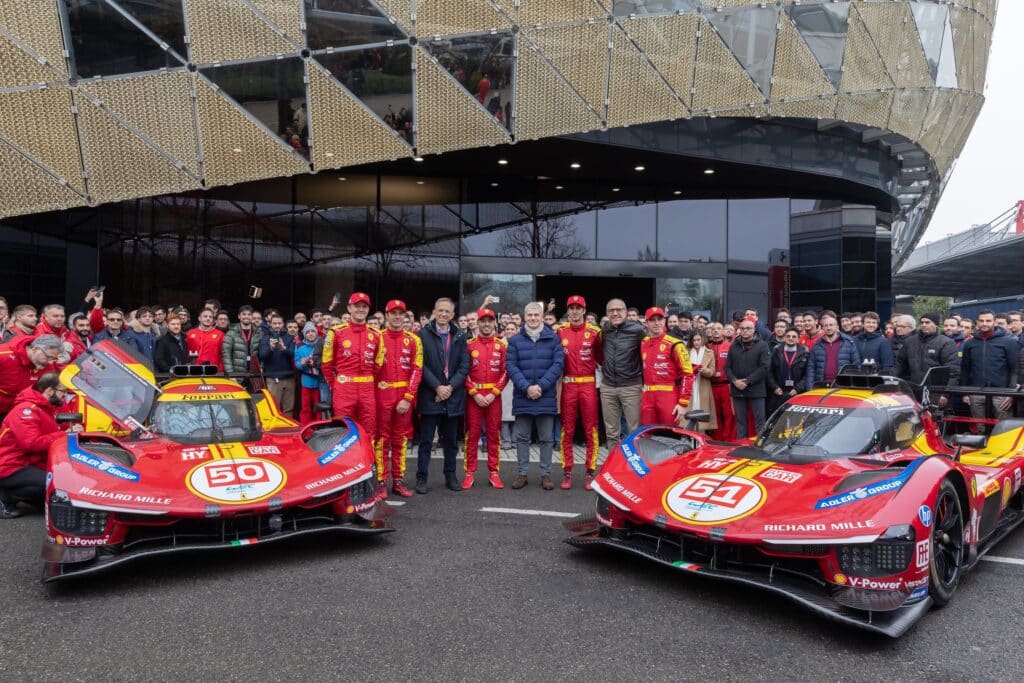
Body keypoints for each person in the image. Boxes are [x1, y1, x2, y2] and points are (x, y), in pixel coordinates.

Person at [506, 302, 564, 490]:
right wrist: (526, 387)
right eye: (529, 315)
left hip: (545, 395)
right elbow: (511, 366)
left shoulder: (554, 339)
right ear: (524, 317)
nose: (532, 318)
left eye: (536, 315)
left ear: (541, 317)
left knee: (546, 438)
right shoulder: (515, 340)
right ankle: (522, 473)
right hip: (523, 396)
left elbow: (557, 365)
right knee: (522, 438)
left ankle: (545, 474)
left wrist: (540, 386)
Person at [415, 297, 469, 494]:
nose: (444, 314)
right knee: (426, 441)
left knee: (451, 442)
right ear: (435, 312)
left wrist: (449, 388)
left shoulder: (460, 336)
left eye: (448, 311)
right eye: (441, 311)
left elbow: (464, 366)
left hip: (452, 397)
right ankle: (421, 478)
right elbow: (421, 365)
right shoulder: (422, 334)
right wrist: (438, 387)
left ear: (453, 315)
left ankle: (451, 476)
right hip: (431, 395)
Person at [0, 373, 67, 517]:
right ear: (49, 390)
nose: (65, 396)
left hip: (27, 463)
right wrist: (65, 435)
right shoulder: (26, 410)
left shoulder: (43, 409)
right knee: (56, 483)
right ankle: (4, 497)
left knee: (56, 493)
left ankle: (21, 494)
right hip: (10, 466)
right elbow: (31, 444)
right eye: (63, 391)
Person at [376, 300, 422, 498]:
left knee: (400, 440)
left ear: (405, 316)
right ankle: (380, 482)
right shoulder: (376, 337)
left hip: (404, 399)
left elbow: (417, 370)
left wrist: (408, 397)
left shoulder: (413, 340)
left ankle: (398, 480)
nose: (396, 317)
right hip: (381, 398)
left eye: (400, 313)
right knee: (381, 440)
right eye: (392, 313)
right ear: (386, 315)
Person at [555, 295, 603, 490]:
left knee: (591, 429)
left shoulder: (595, 332)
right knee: (567, 430)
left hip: (589, 384)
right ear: (568, 311)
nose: (574, 311)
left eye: (578, 308)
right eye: (571, 308)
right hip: (568, 385)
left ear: (584, 310)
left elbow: (603, 358)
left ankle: (590, 473)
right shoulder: (559, 331)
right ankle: (567, 473)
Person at [322, 293, 384, 436]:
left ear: (368, 310)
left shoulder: (376, 334)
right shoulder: (336, 332)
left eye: (364, 306)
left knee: (368, 431)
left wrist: (366, 380)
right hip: (344, 390)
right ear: (349, 308)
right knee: (343, 431)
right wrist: (336, 385)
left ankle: (367, 459)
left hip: (367, 390)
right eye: (357, 306)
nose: (361, 309)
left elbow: (378, 364)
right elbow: (326, 364)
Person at [463, 307, 508, 490]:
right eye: (483, 321)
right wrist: (474, 393)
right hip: (474, 398)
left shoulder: (502, 346)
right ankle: (469, 472)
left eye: (490, 321)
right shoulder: (469, 345)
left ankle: (494, 472)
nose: (487, 324)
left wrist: (493, 393)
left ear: (494, 323)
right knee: (471, 435)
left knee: (493, 435)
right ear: (478, 323)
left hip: (493, 397)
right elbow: (463, 372)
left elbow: (506, 372)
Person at [600, 298, 645, 454]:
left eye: (619, 310)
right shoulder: (605, 330)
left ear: (626, 312)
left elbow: (647, 355)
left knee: (635, 432)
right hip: (608, 387)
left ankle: (635, 469)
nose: (615, 313)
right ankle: (613, 467)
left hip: (631, 386)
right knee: (611, 433)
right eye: (611, 310)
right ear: (607, 314)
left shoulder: (638, 331)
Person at [960, 310, 1019, 424]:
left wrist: (1011, 394)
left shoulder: (1008, 342)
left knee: (1002, 429)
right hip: (976, 392)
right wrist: (965, 392)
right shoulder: (970, 343)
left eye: (988, 320)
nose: (984, 323)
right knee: (979, 428)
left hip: (1001, 393)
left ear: (995, 322)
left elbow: (1014, 369)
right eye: (981, 321)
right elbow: (965, 369)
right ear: (977, 323)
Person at [640, 307, 692, 425]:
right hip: (647, 397)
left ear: (664, 321)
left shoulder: (676, 344)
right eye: (652, 320)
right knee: (647, 436)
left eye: (660, 319)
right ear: (646, 323)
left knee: (669, 435)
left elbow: (688, 374)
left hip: (668, 396)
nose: (657, 323)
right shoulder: (643, 342)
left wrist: (683, 403)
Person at [725, 318, 770, 439]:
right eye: (742, 328)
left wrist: (747, 381)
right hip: (737, 389)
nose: (745, 331)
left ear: (754, 329)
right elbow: (727, 367)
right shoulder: (734, 346)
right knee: (740, 422)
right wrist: (734, 381)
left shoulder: (762, 345)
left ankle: (760, 447)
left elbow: (764, 367)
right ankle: (741, 446)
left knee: (760, 422)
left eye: (748, 328)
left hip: (756, 389)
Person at [894, 312, 961, 391]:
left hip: (936, 391)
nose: (924, 325)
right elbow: (899, 366)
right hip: (913, 389)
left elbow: (953, 371)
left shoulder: (946, 343)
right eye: (922, 322)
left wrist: (946, 393)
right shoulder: (910, 342)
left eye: (927, 322)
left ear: (936, 324)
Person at [0, 335, 60, 418]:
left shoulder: (47, 367)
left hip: (17, 411)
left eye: (54, 359)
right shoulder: (3, 355)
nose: (50, 362)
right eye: (48, 357)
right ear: (35, 349)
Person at [806, 312, 861, 386]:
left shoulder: (849, 343)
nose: (828, 328)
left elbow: (856, 366)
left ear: (837, 327)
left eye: (831, 325)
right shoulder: (817, 345)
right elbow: (811, 369)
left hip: (843, 386)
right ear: (823, 328)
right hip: (821, 386)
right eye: (826, 325)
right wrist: (810, 387)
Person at [259, 314, 296, 414]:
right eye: (274, 323)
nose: (277, 325)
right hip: (273, 378)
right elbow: (262, 356)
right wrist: (270, 348)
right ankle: (276, 429)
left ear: (283, 324)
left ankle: (288, 428)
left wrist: (284, 349)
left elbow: (293, 354)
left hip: (289, 377)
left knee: (289, 408)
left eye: (279, 323)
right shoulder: (265, 339)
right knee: (274, 408)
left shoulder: (289, 338)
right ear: (270, 324)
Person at [767, 328, 807, 416]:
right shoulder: (776, 351)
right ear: (785, 337)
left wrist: (798, 389)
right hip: (779, 392)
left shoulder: (804, 352)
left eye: (794, 336)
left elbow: (807, 374)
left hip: (796, 392)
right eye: (788, 336)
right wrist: (774, 387)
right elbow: (769, 372)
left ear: (798, 339)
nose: (791, 338)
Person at [706, 322, 735, 441]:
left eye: (719, 328)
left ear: (723, 331)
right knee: (715, 414)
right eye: (713, 329)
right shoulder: (707, 347)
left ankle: (727, 438)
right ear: (710, 332)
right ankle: (716, 439)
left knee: (728, 414)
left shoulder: (730, 346)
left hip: (726, 385)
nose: (716, 331)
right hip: (711, 385)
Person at [294, 322, 326, 426]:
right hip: (306, 381)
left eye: (313, 331)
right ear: (304, 334)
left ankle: (318, 428)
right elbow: (297, 364)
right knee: (305, 407)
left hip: (319, 381)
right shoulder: (299, 347)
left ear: (316, 333)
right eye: (308, 332)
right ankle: (305, 428)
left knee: (318, 407)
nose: (311, 334)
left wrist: (316, 364)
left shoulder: (322, 344)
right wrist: (302, 364)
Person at [686, 330, 717, 433]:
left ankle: (700, 438)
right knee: (689, 410)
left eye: (698, 340)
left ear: (703, 340)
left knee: (702, 410)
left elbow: (712, 371)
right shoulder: (687, 351)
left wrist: (704, 370)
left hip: (703, 384)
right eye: (694, 340)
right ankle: (689, 436)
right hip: (689, 384)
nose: (696, 342)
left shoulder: (710, 352)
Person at [222, 305, 263, 378]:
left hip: (254, 374)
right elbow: (226, 356)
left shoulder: (259, 333)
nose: (246, 316)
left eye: (249, 314)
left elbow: (262, 354)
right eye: (244, 314)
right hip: (237, 374)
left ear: (252, 317)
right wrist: (231, 375)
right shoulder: (231, 333)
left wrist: (261, 368)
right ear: (239, 316)